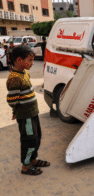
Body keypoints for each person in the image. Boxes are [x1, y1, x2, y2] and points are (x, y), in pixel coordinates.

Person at [6, 45, 50, 176]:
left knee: (37, 138)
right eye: (30, 60)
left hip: (33, 113)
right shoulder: (14, 78)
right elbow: (12, 99)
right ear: (19, 60)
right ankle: (26, 166)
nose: (32, 63)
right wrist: (16, 112)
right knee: (29, 140)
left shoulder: (25, 73)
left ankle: (33, 160)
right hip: (26, 117)